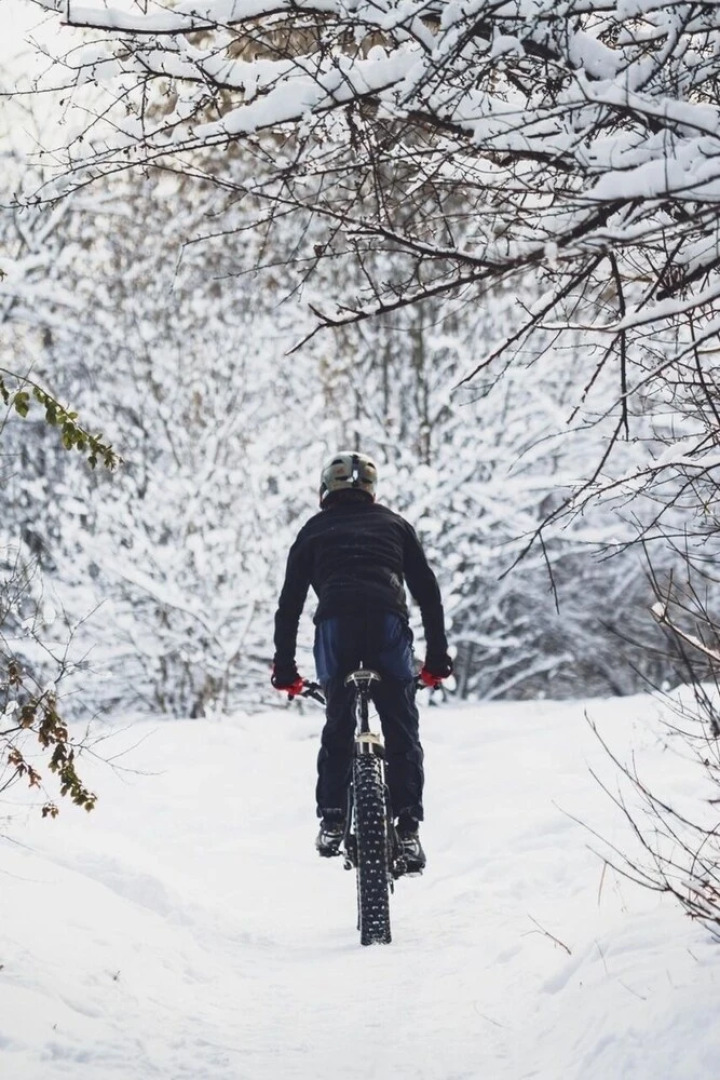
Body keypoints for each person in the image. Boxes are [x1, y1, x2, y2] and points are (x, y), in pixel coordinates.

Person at [271, 450, 452, 872]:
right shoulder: (395, 525)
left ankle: (333, 819)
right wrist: (436, 660)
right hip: (387, 625)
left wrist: (285, 670)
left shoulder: (312, 531)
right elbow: (428, 593)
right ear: (372, 490)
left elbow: (289, 605)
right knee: (402, 726)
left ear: (325, 490)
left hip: (336, 629)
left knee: (338, 723)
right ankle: (407, 830)